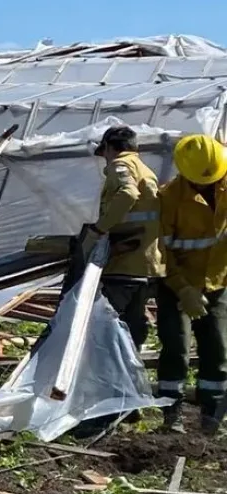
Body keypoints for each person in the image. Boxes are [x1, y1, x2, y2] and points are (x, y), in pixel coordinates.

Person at [156, 133, 227, 434]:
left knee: (218, 347)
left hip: (219, 281)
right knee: (177, 346)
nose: (208, 185)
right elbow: (162, 250)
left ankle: (213, 414)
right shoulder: (169, 198)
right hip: (178, 283)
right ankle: (171, 412)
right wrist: (183, 288)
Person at [86, 125, 165, 350]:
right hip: (145, 263)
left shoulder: (121, 165)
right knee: (133, 326)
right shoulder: (145, 170)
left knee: (109, 324)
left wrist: (100, 229)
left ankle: (110, 375)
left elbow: (128, 193)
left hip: (124, 262)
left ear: (110, 148)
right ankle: (131, 372)